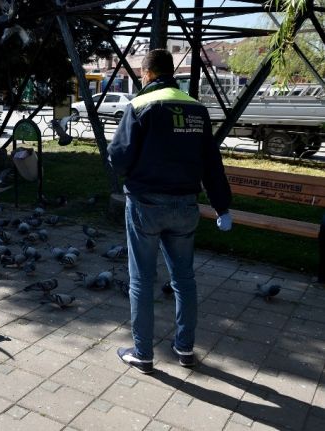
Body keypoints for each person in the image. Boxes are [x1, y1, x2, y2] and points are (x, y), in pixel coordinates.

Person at [107, 49, 232, 374]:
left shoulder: (139, 105)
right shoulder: (196, 108)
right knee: (184, 279)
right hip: (184, 206)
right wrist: (222, 206)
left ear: (147, 74)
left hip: (145, 206)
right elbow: (211, 163)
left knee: (141, 281)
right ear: (171, 73)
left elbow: (118, 158)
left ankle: (143, 354)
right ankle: (185, 348)